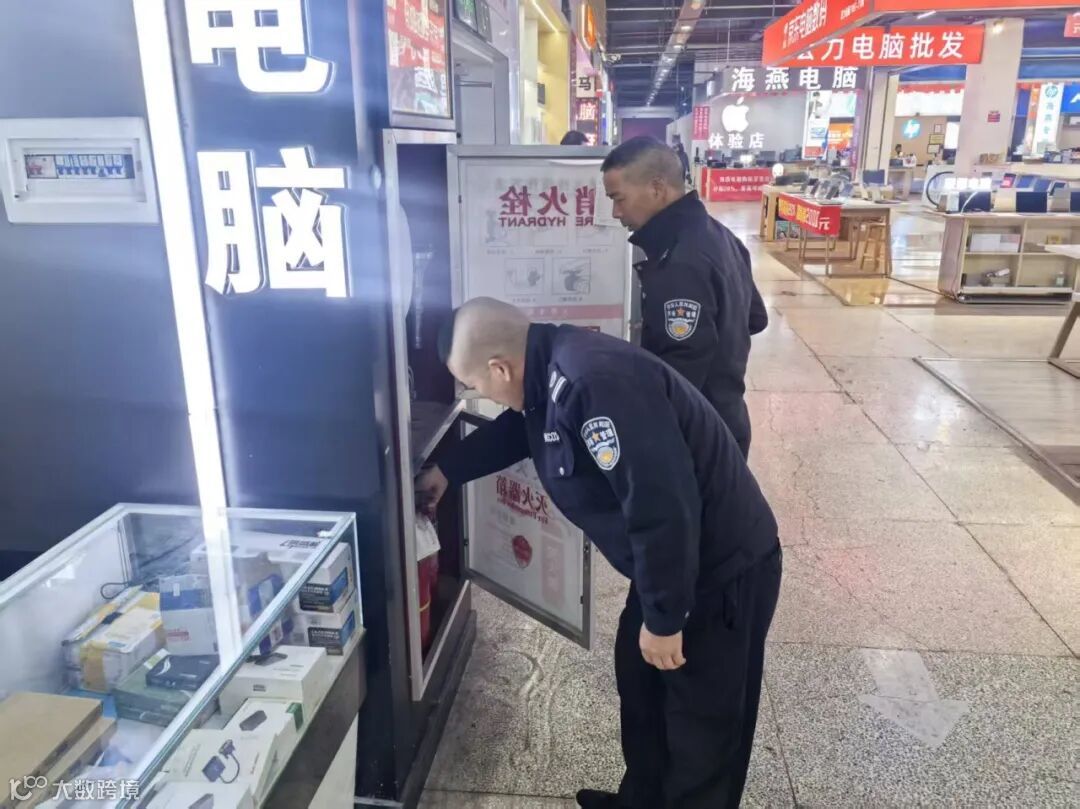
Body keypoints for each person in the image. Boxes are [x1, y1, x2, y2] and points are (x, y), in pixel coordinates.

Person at [417, 298, 782, 809]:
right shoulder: (547, 371)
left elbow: (662, 504)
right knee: (642, 689)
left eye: (473, 383)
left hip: (719, 570)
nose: (479, 393)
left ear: (500, 368)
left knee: (701, 730)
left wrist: (664, 618)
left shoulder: (593, 383)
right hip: (671, 563)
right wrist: (448, 470)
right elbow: (521, 430)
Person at [601, 136, 768, 457]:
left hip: (695, 437)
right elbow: (755, 318)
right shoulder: (720, 235)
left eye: (619, 199)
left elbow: (680, 368)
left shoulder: (680, 262)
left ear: (657, 188)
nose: (615, 212)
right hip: (728, 417)